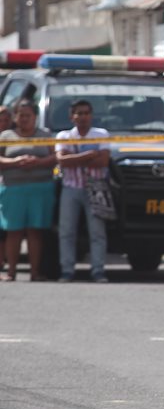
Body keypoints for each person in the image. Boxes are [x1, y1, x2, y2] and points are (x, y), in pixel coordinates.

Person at [0, 100, 58, 281]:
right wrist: (16, 162)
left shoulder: (45, 134)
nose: (24, 119)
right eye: (20, 115)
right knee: (13, 230)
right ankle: (11, 272)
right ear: (15, 117)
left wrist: (38, 162)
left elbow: (56, 156)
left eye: (28, 115)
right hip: (13, 189)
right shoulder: (6, 135)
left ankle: (35, 272)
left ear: (35, 117)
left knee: (35, 231)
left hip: (40, 189)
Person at [55, 99, 111, 283]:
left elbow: (103, 161)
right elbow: (62, 161)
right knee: (66, 231)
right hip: (71, 187)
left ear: (91, 115)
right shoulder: (64, 136)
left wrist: (74, 159)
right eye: (79, 113)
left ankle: (98, 270)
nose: (83, 117)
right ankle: (67, 270)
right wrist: (88, 156)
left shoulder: (101, 134)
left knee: (97, 232)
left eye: (86, 113)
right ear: (72, 117)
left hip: (95, 188)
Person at [0, 106, 12, 277]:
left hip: (8, 186)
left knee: (4, 227)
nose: (3, 123)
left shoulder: (13, 137)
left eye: (6, 120)